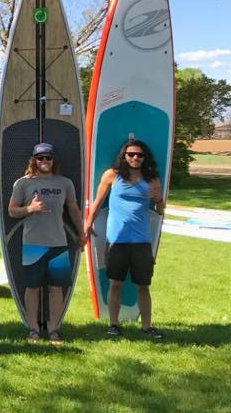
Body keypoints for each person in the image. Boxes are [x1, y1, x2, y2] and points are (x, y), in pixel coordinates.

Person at [84, 139, 165, 339]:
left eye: (139, 155)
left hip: (141, 241)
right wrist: (87, 225)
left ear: (145, 158)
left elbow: (159, 209)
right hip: (116, 240)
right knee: (115, 284)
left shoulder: (152, 180)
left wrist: (159, 199)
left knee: (143, 286)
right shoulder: (113, 175)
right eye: (131, 154)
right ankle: (114, 324)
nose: (135, 158)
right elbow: (97, 202)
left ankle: (147, 327)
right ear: (124, 156)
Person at [7, 142, 85, 344]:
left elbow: (73, 209)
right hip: (33, 244)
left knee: (56, 289)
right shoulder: (23, 183)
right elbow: (11, 210)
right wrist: (29, 209)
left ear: (53, 160)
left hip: (58, 243)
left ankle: (53, 330)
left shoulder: (65, 183)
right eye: (40, 158)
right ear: (34, 160)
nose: (44, 161)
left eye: (48, 158)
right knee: (32, 288)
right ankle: (33, 329)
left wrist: (81, 233)